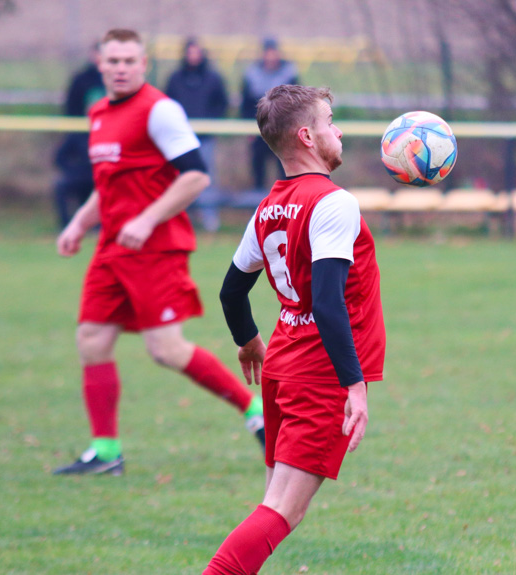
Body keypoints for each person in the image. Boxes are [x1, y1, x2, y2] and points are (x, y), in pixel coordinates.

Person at [53, 29, 264, 476]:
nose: (121, 68)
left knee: (166, 350)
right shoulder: (97, 113)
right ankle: (106, 453)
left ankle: (255, 412)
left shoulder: (160, 110)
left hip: (156, 249)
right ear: (101, 64)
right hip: (112, 248)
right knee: (91, 340)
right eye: (113, 61)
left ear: (144, 63)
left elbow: (196, 177)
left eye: (130, 60)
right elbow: (108, 186)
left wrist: (147, 219)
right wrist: (78, 223)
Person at [202, 85, 385, 574]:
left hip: (283, 367)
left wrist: (249, 343)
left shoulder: (268, 208)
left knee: (273, 505)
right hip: (319, 376)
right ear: (307, 136)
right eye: (330, 121)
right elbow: (327, 304)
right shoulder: (334, 203)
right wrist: (355, 383)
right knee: (283, 509)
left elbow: (231, 292)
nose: (338, 130)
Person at [165, 38, 229, 232]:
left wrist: (211, 121)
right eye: (190, 52)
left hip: (205, 138)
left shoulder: (213, 78)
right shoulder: (176, 78)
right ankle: (178, 218)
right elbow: (167, 103)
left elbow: (222, 103)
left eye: (196, 52)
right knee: (179, 178)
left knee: (207, 177)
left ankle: (210, 220)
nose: (193, 57)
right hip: (181, 139)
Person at [53, 43, 105, 229]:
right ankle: (71, 225)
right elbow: (60, 157)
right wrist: (73, 170)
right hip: (83, 168)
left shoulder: (115, 81)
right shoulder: (81, 80)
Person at [240, 37, 299, 192]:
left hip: (282, 131)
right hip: (258, 130)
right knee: (258, 172)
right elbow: (246, 104)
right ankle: (259, 208)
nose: (271, 57)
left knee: (285, 170)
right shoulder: (252, 74)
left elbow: (296, 103)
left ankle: (285, 207)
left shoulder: (289, 73)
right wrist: (248, 129)